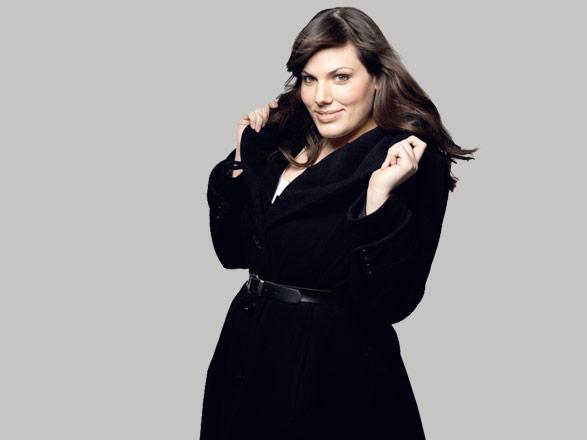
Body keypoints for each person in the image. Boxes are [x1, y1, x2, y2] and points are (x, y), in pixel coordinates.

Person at [200, 7, 477, 440]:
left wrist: (377, 202)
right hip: (248, 354)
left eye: (341, 77)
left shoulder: (407, 159)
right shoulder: (283, 139)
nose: (321, 97)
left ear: (378, 78)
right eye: (309, 79)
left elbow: (393, 302)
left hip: (333, 377)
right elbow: (232, 253)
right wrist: (241, 159)